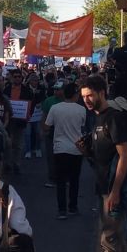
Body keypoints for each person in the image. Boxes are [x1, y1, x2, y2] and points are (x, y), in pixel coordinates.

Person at [82, 75, 127, 252]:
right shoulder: (96, 118)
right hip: (103, 186)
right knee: (116, 238)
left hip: (112, 190)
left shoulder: (113, 118)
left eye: (90, 95)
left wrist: (115, 191)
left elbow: (124, 155)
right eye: (84, 96)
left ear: (102, 93)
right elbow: (102, 157)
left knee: (109, 239)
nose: (86, 100)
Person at [44, 82, 86, 219]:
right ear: (76, 94)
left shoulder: (55, 108)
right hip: (76, 148)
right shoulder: (81, 110)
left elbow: (47, 125)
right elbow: (83, 125)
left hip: (59, 148)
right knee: (74, 180)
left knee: (61, 181)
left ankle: (62, 210)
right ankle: (73, 207)